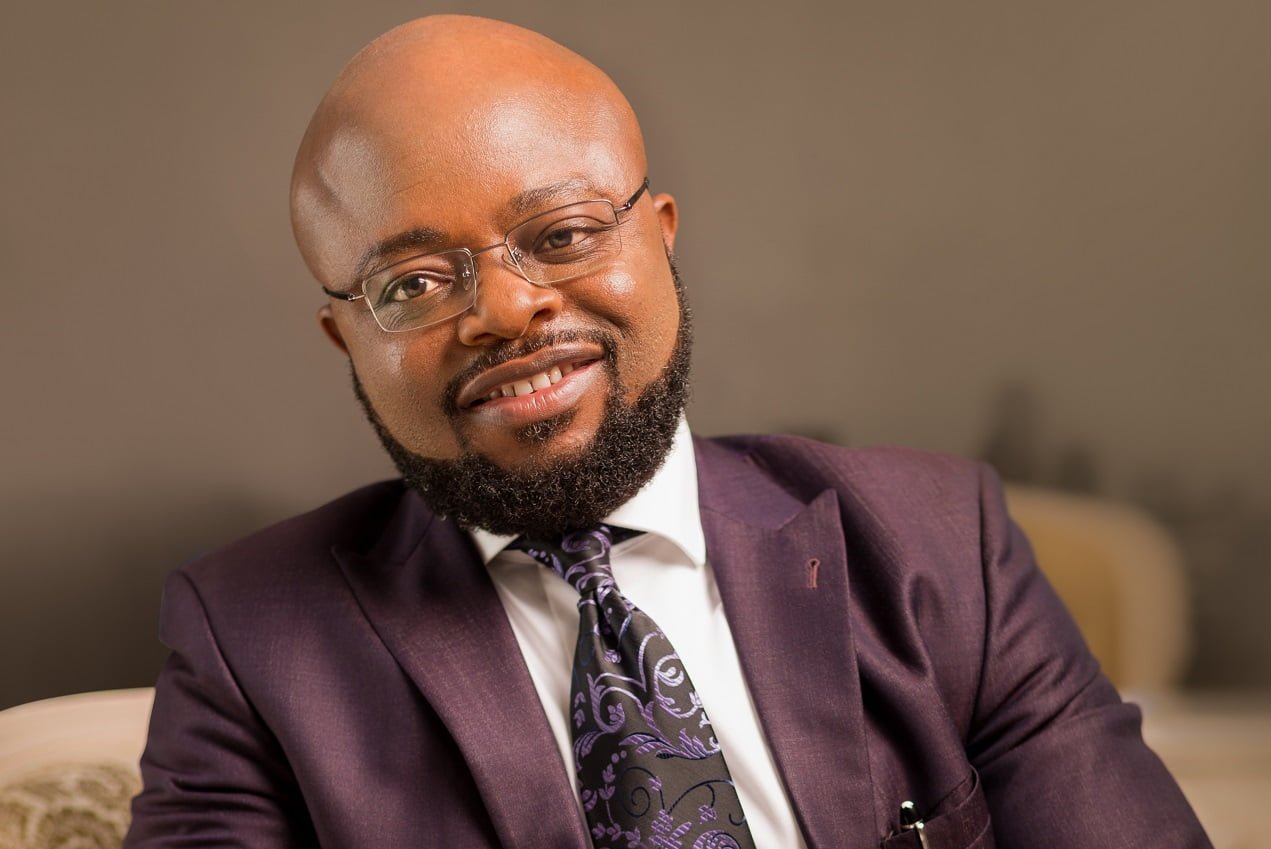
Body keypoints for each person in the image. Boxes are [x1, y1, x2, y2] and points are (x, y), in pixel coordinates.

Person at [125, 15, 1210, 849]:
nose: (505, 309)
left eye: (560, 233)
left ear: (658, 234)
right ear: (345, 338)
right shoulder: (252, 641)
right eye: (411, 283)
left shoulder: (938, 543)